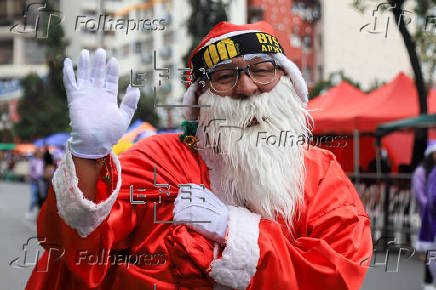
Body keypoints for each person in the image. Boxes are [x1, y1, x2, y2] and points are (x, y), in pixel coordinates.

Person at [26, 21, 372, 289]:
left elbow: (340, 271)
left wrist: (234, 231)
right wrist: (88, 156)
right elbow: (74, 247)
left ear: (286, 79)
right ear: (200, 98)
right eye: (225, 77)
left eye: (262, 70)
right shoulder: (157, 160)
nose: (247, 88)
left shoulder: (320, 171)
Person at [414, 141, 436, 290]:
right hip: (426, 215)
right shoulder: (420, 172)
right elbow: (419, 195)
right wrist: (429, 207)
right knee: (430, 249)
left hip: (432, 214)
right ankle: (428, 280)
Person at [26, 149, 44, 220]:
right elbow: (30, 172)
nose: (40, 154)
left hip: (42, 182)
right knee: (34, 198)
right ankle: (30, 211)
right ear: (36, 154)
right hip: (34, 182)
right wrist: (35, 177)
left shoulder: (43, 161)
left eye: (41, 153)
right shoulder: (33, 161)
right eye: (38, 153)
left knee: (41, 198)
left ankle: (39, 213)